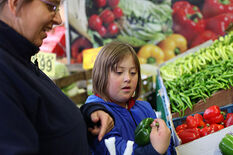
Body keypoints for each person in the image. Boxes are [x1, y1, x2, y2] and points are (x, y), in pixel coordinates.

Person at [0, 0, 114, 154]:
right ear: (15, 3)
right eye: (51, 7)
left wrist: (88, 116)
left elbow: (46, 126)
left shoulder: (20, 57)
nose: (59, 19)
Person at [85, 41, 172, 155]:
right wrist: (155, 150)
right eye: (119, 72)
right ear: (101, 76)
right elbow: (114, 151)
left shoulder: (145, 107)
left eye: (133, 72)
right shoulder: (98, 114)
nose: (127, 78)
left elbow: (166, 144)